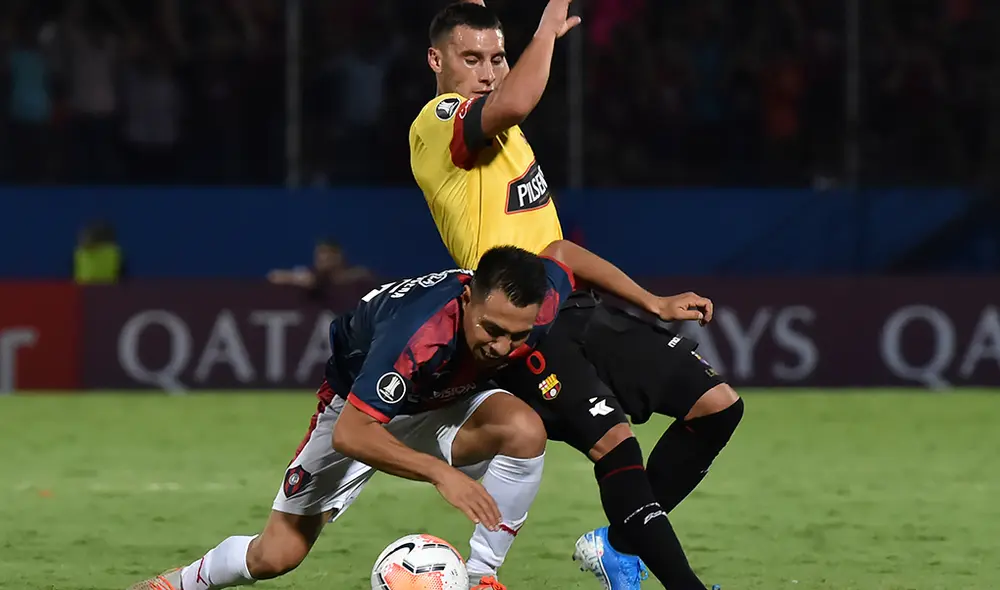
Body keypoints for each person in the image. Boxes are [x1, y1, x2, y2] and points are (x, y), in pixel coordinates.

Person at [125, 240, 692, 590]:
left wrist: (653, 302)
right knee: (277, 556)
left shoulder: (531, 307)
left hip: (443, 403)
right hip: (356, 410)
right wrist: (440, 473)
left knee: (524, 429)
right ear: (467, 298)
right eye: (490, 330)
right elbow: (353, 433)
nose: (501, 346)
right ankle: (177, 585)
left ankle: (479, 578)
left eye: (515, 336)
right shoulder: (418, 337)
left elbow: (563, 254)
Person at [409, 3, 742, 589]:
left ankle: (618, 544)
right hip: (523, 326)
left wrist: (653, 301)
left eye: (497, 58)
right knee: (616, 444)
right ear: (436, 61)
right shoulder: (440, 120)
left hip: (576, 306)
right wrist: (546, 25)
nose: (488, 71)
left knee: (717, 407)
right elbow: (515, 98)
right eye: (471, 59)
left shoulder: (504, 137)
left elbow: (557, 250)